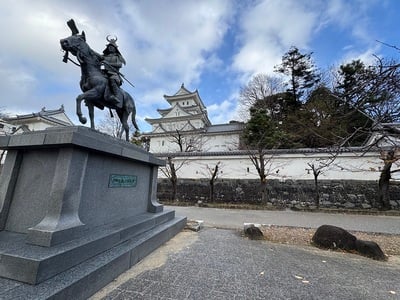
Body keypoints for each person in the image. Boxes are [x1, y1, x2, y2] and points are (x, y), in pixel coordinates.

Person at [102, 36, 126, 108]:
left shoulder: (117, 56)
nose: (110, 48)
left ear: (115, 49)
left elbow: (120, 64)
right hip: (104, 73)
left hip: (113, 74)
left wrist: (109, 64)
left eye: (112, 47)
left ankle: (116, 97)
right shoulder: (104, 56)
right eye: (109, 47)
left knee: (112, 79)